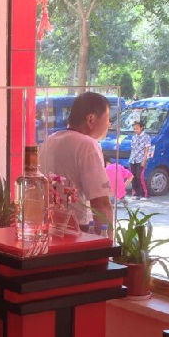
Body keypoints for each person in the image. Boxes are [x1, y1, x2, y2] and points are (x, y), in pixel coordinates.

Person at [39, 91, 113, 232]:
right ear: (91, 119)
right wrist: (108, 241)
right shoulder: (88, 145)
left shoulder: (50, 140)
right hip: (79, 230)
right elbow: (101, 203)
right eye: (108, 118)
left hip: (50, 228)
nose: (109, 124)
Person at [128, 121, 150, 199]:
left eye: (137, 128)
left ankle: (144, 194)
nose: (135, 130)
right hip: (132, 159)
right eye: (134, 129)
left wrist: (144, 160)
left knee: (139, 177)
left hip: (140, 159)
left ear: (141, 128)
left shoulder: (146, 137)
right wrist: (130, 159)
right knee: (133, 177)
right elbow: (132, 149)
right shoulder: (134, 137)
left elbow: (147, 149)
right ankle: (136, 194)